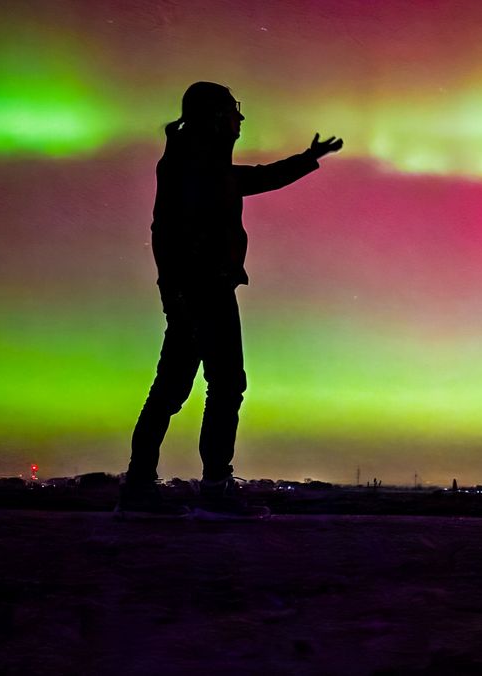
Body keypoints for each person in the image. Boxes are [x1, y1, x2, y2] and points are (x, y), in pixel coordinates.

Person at [116, 81, 342, 519]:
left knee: (173, 389)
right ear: (213, 117)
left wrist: (306, 160)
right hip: (204, 290)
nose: (239, 122)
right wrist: (184, 290)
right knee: (222, 385)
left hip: (193, 290)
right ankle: (213, 489)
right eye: (231, 114)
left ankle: (142, 488)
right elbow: (182, 224)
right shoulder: (194, 162)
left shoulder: (194, 158)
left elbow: (243, 181)